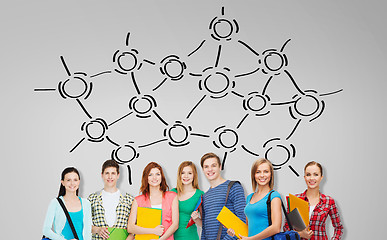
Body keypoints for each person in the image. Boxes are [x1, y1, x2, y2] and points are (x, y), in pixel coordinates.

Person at [284, 161, 343, 240]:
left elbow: (338, 228)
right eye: (308, 175)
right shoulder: (295, 199)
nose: (312, 178)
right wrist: (301, 234)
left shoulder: (329, 201)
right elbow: (286, 229)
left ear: (321, 177)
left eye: (316, 174)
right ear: (304, 177)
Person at [228, 158, 282, 240]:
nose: (262, 175)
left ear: (271, 175)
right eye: (258, 172)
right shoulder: (250, 197)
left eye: (266, 171)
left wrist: (252, 239)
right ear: (254, 175)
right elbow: (247, 227)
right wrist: (234, 231)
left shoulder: (274, 196)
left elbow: (276, 228)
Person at [200, 152, 246, 240]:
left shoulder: (233, 187)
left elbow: (242, 219)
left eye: (213, 165)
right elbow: (205, 228)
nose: (210, 169)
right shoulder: (205, 196)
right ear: (203, 170)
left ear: (220, 167)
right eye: (206, 167)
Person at [127, 162, 179, 240]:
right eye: (150, 175)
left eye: (157, 174)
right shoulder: (138, 200)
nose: (154, 178)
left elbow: (175, 225)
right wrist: (153, 231)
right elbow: (130, 228)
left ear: (162, 177)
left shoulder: (172, 196)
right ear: (146, 178)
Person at [88, 160, 135, 240]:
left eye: (113, 173)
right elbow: (84, 225)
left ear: (118, 175)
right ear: (102, 175)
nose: (110, 177)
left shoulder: (129, 199)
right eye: (107, 173)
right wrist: (98, 229)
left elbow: (134, 229)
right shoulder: (92, 199)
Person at [42, 167, 92, 240]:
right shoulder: (55, 203)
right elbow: (46, 230)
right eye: (68, 180)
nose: (72, 183)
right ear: (63, 182)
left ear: (79, 182)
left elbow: (88, 232)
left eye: (75, 180)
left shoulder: (86, 203)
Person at [171, 161, 204, 240]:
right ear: (179, 175)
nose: (186, 176)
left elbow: (204, 224)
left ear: (194, 175)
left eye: (189, 173)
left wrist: (196, 219)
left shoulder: (200, 195)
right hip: (171, 236)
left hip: (190, 236)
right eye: (183, 173)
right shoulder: (172, 193)